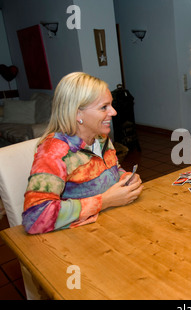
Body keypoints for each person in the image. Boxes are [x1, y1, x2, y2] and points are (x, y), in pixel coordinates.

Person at [22, 72, 143, 234]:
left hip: (110, 224)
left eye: (111, 105)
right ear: (78, 113)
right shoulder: (54, 151)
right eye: (103, 107)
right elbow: (35, 218)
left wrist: (125, 178)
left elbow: (112, 170)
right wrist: (104, 201)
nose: (114, 112)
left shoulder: (101, 139)